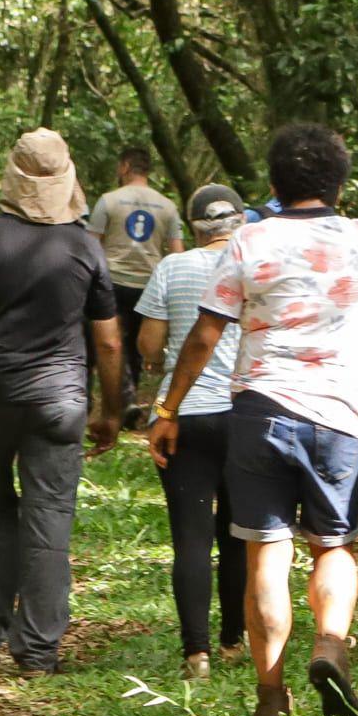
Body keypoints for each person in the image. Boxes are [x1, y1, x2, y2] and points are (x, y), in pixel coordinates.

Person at [152, 123, 358, 716]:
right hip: (342, 415)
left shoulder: (248, 242)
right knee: (333, 545)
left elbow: (206, 332)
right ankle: (331, 643)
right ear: (339, 180)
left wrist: (168, 408)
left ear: (274, 182)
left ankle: (271, 697)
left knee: (266, 554)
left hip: (262, 409)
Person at [0, 129, 124, 676]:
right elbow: (107, 338)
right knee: (50, 515)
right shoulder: (85, 245)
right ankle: (37, 651)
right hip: (61, 402)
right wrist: (110, 409)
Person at [135, 183, 252, 680]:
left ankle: (196, 654)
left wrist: (159, 380)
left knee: (190, 537)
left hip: (185, 416)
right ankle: (232, 640)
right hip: (247, 413)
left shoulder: (171, 268)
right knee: (239, 535)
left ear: (195, 227)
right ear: (241, 221)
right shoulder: (257, 265)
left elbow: (150, 343)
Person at [90, 148, 180, 305]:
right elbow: (177, 254)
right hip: (151, 285)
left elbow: (90, 246)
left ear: (125, 166)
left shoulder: (108, 200)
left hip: (111, 281)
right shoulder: (168, 206)